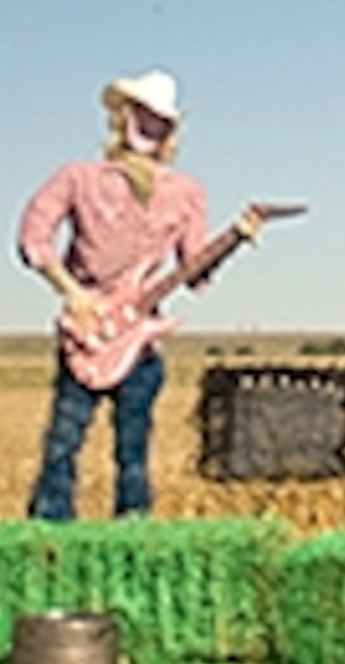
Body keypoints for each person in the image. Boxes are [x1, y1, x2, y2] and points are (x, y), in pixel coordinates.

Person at [17, 69, 206, 520]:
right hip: (86, 333)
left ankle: (132, 529)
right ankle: (50, 528)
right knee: (63, 441)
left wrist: (232, 243)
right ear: (122, 118)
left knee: (134, 449)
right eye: (141, 114)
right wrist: (73, 294)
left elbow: (194, 272)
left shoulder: (186, 194)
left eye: (159, 119)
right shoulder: (78, 178)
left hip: (140, 342)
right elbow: (32, 238)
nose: (147, 126)